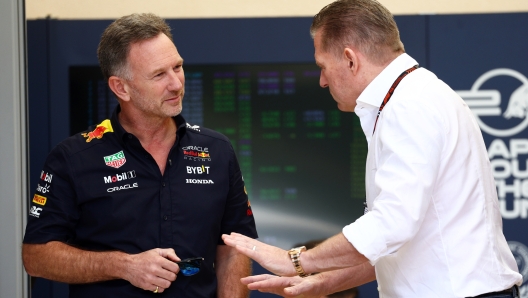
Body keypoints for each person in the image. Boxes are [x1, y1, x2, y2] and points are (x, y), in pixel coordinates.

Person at [222, 0, 523, 297]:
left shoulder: (409, 106)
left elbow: (392, 224)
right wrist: (323, 282)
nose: (322, 81)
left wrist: (296, 261)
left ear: (351, 59)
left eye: (323, 67)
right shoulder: (413, 96)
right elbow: (401, 245)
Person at [22, 13, 257, 297]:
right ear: (121, 87)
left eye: (178, 67)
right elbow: (36, 257)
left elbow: (234, 247)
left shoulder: (217, 150)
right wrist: (124, 265)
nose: (176, 84)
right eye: (159, 74)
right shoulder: (73, 158)